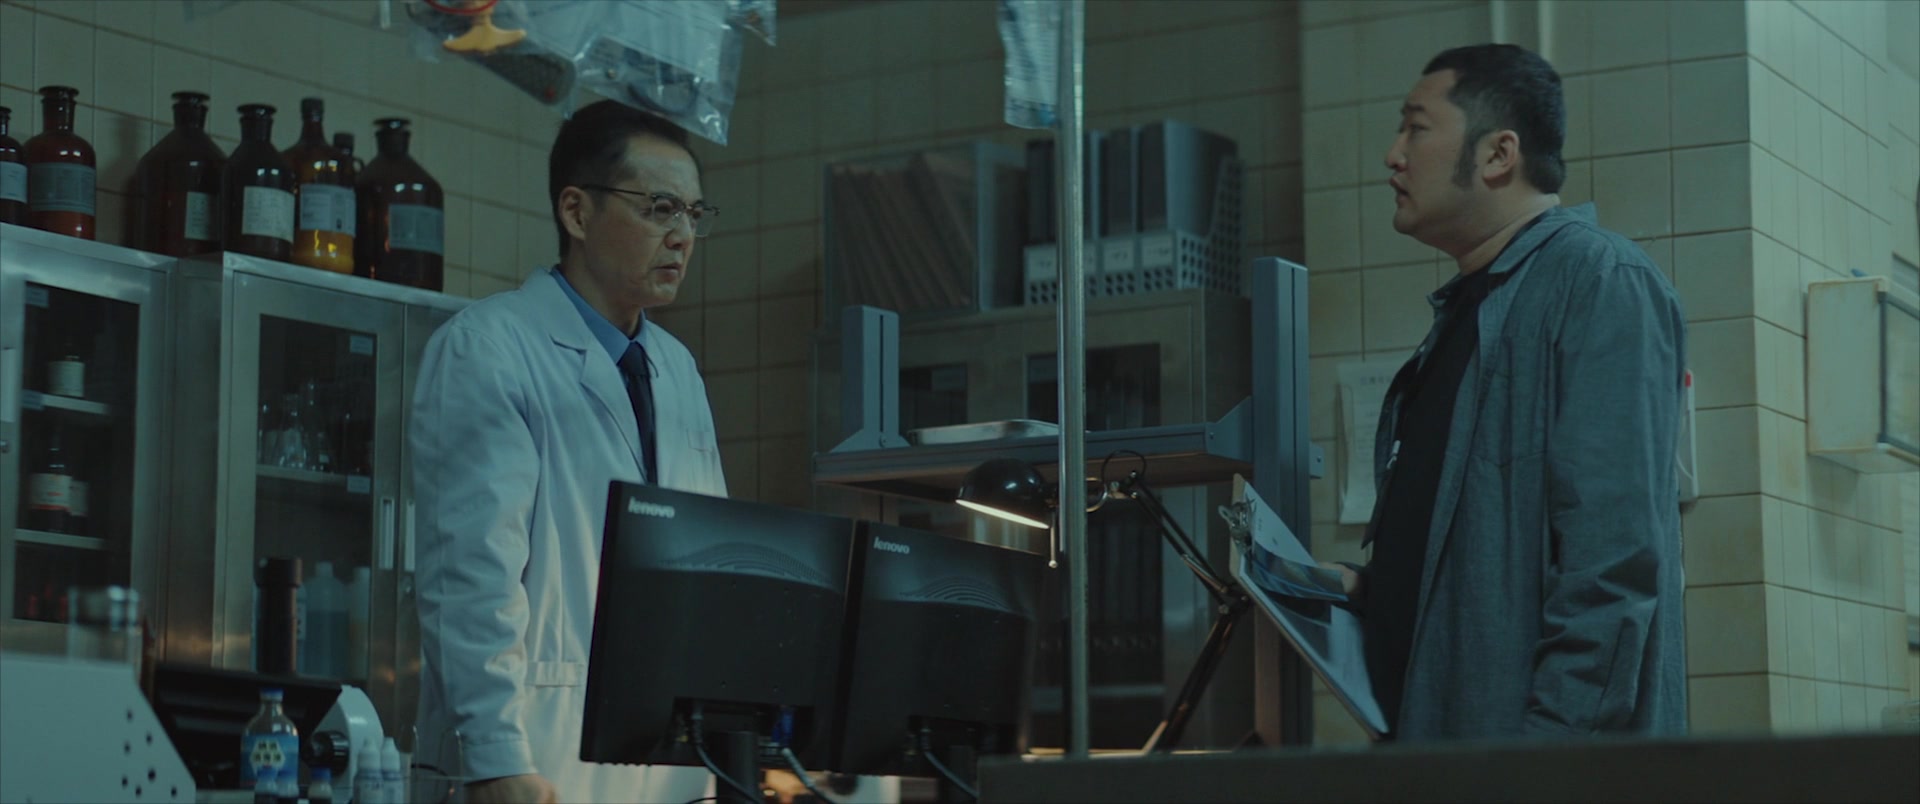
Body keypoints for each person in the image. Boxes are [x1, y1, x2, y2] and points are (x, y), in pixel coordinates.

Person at [1329, 43, 1688, 742]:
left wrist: (1544, 760)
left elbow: (1613, 564)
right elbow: (1482, 564)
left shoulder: (1599, 282)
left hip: (1534, 768)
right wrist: (1374, 592)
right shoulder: (1469, 309)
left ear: (1498, 155)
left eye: (1415, 128)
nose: (1393, 156)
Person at [410, 100, 727, 803]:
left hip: (665, 765)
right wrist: (495, 759)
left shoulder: (677, 369)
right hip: (532, 754)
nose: (682, 236)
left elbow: (707, 572)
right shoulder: (488, 347)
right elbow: (470, 577)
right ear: (577, 213)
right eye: (660, 209)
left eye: (693, 214)